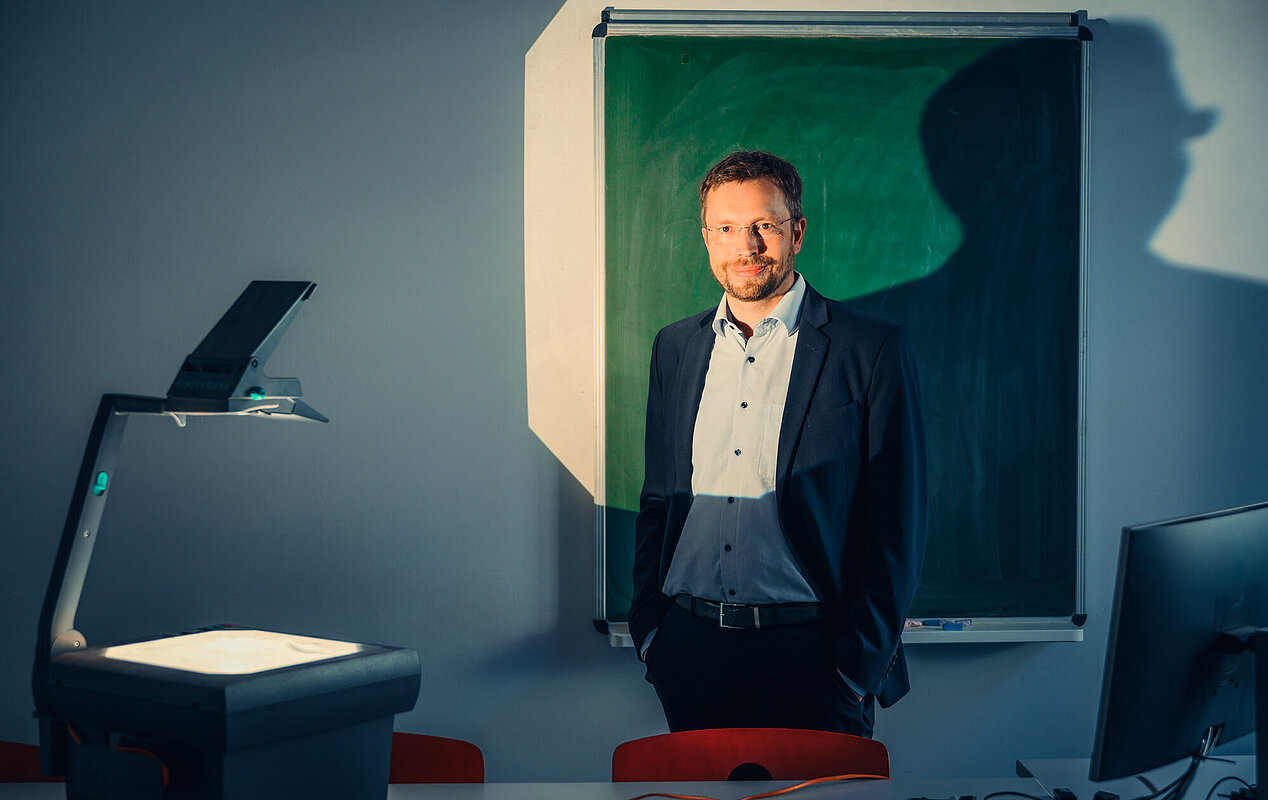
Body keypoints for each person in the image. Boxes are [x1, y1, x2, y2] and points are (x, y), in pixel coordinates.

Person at [629, 150, 927, 737]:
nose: (747, 246)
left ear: (797, 232)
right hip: (691, 651)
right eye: (727, 229)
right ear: (707, 238)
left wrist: (854, 667)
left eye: (764, 225)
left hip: (816, 658)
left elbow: (899, 523)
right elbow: (659, 498)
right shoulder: (675, 348)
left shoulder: (869, 349)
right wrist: (652, 634)